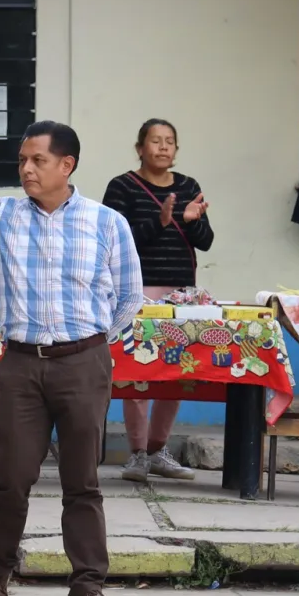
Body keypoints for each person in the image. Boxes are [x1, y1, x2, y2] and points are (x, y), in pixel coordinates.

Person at [0, 104, 143, 596]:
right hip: (20, 364)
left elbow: (129, 296)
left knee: (83, 481)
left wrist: (89, 345)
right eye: (22, 160)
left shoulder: (107, 223)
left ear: (68, 165)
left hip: (83, 363)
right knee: (10, 478)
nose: (26, 170)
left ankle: (87, 585)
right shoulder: (1, 217)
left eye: (38, 160)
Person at [100, 118, 213, 483]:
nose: (163, 147)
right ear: (140, 148)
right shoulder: (122, 187)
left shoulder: (188, 186)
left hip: (182, 294)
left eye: (170, 142)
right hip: (137, 292)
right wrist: (160, 222)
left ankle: (159, 449)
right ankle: (137, 454)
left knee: (176, 371)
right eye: (155, 141)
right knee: (139, 372)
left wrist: (190, 220)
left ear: (176, 150)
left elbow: (206, 240)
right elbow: (113, 241)